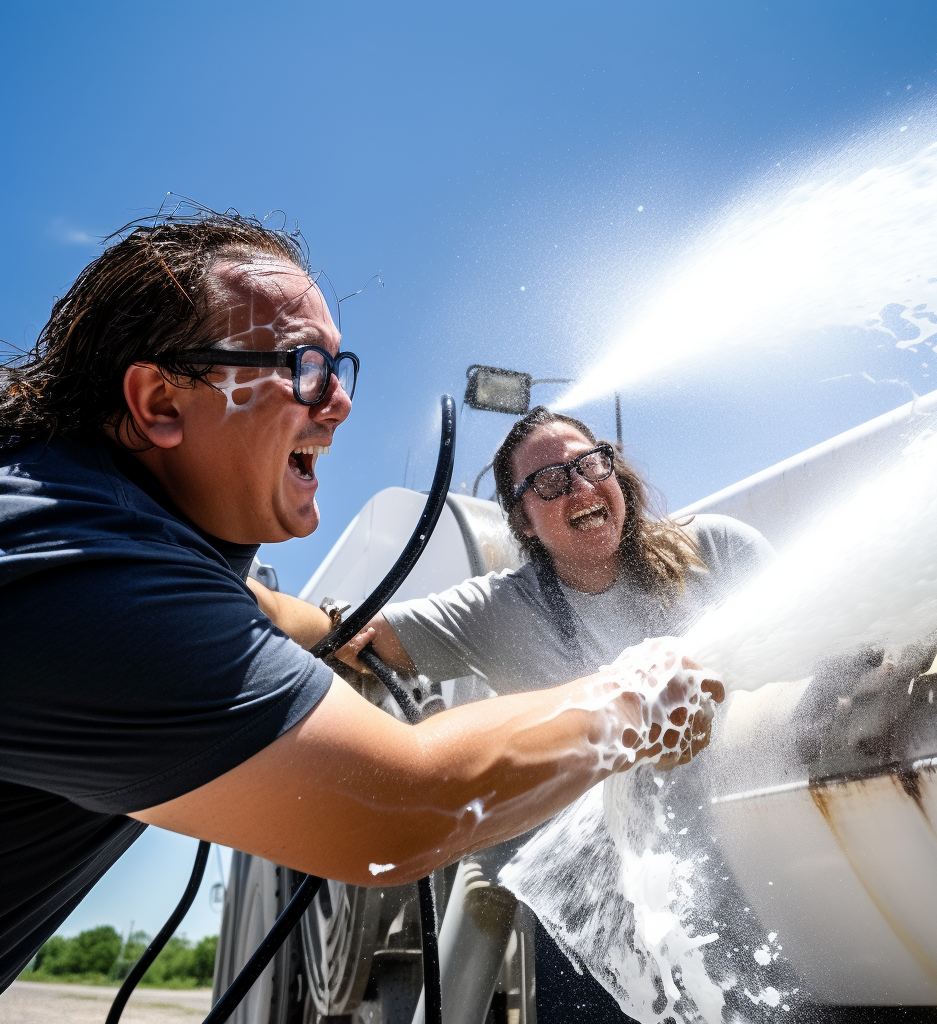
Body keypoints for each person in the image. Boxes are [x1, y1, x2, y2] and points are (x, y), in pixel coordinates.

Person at [0, 210, 717, 993]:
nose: (337, 401)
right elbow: (402, 807)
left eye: (339, 369)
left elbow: (266, 613)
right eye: (303, 366)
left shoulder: (73, 515)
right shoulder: (91, 578)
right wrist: (640, 701)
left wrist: (338, 635)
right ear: (160, 403)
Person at [339, 406, 774, 1022]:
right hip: (595, 911)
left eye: (589, 464)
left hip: (750, 863)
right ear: (522, 517)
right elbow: (360, 637)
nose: (579, 487)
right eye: (548, 482)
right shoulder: (499, 608)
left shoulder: (717, 549)